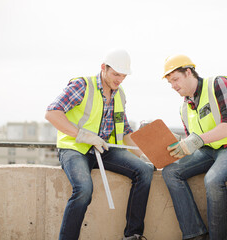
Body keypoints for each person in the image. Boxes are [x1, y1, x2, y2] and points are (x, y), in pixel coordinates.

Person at [45, 49, 153, 240]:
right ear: (103, 68)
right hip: (74, 149)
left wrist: (144, 156)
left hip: (103, 149)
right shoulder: (82, 86)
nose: (119, 80)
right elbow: (52, 113)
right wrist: (82, 135)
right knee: (84, 189)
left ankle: (133, 235)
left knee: (144, 171)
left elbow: (125, 131)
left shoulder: (119, 94)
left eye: (123, 76)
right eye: (115, 74)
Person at [161, 54, 227, 240]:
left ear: (188, 72)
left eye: (175, 79)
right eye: (170, 83)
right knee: (170, 172)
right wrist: (180, 144)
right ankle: (195, 234)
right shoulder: (184, 107)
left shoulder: (218, 84)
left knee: (213, 179)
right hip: (210, 151)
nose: (173, 86)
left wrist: (196, 141)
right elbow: (194, 139)